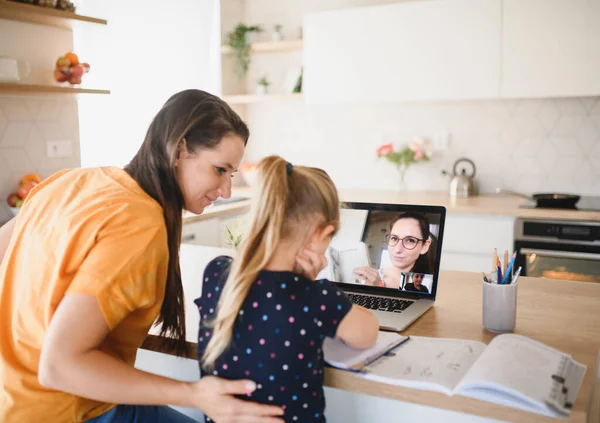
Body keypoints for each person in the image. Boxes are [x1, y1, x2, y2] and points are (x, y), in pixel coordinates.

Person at [0, 89, 285, 423]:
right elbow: (59, 365)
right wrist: (194, 394)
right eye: (219, 169)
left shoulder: (72, 181)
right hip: (68, 411)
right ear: (180, 149)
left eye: (231, 175)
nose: (225, 191)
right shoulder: (141, 224)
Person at [195, 156, 379, 423]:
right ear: (319, 235)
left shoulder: (216, 273)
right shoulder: (317, 297)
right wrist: (311, 284)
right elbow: (367, 334)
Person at [353, 211, 433, 289]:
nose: (398, 249)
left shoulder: (427, 284)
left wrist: (380, 286)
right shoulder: (369, 278)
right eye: (394, 238)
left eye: (410, 240)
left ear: (424, 247)